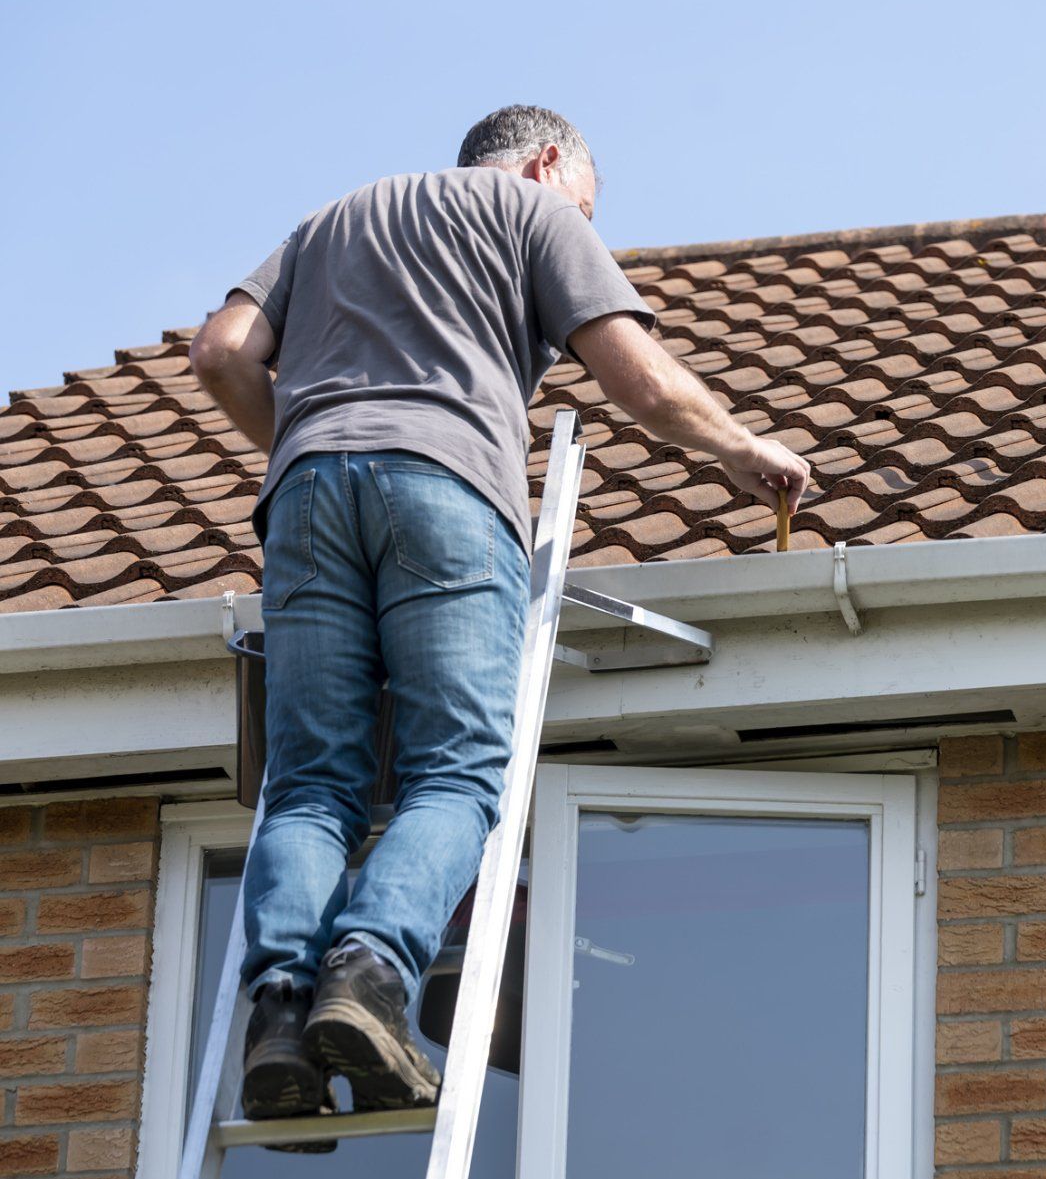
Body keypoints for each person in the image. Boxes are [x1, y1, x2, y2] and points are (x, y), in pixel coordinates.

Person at [189, 105, 810, 1138]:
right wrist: (743, 451)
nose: (589, 223)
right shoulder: (529, 209)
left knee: (310, 785)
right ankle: (372, 970)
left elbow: (220, 356)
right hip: (445, 490)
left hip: (303, 496)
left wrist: (309, 443)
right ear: (549, 159)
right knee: (458, 772)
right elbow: (639, 381)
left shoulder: (330, 220)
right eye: (591, 205)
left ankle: (281, 1019)